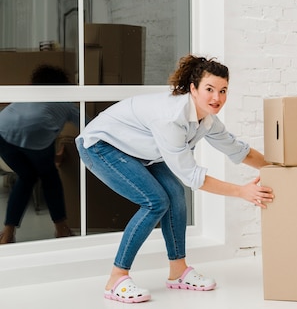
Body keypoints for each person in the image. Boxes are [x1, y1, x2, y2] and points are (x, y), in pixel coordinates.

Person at [75, 54, 273, 304]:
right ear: (193, 88)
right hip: (102, 146)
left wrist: (280, 168)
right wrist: (241, 191)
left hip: (142, 150)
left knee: (175, 195)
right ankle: (116, 278)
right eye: (209, 89)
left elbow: (239, 150)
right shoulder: (171, 118)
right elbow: (192, 176)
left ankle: (178, 272)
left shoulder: (207, 120)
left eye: (223, 91)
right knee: (155, 201)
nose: (217, 98)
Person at [0, 64, 78, 244]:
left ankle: (8, 232)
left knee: (27, 176)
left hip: (3, 133)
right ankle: (62, 229)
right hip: (33, 139)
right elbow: (88, 125)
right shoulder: (65, 105)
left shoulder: (27, 94)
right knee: (49, 176)